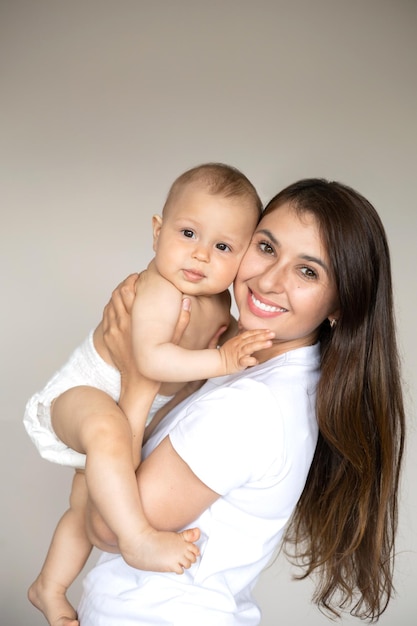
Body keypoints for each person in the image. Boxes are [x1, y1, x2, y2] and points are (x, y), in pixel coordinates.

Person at [77, 178, 405, 626]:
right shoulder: (262, 368)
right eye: (267, 247)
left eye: (308, 272)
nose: (269, 280)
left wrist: (138, 382)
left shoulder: (252, 409)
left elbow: (107, 528)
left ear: (339, 306)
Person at [24, 163, 275, 626]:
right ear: (157, 233)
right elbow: (152, 361)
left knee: (88, 505)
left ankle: (50, 586)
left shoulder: (218, 299)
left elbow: (216, 340)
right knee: (106, 431)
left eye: (222, 247)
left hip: (131, 409)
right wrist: (222, 360)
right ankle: (137, 538)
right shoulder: (160, 288)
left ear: (241, 260)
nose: (201, 256)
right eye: (188, 233)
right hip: (88, 389)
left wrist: (243, 342)